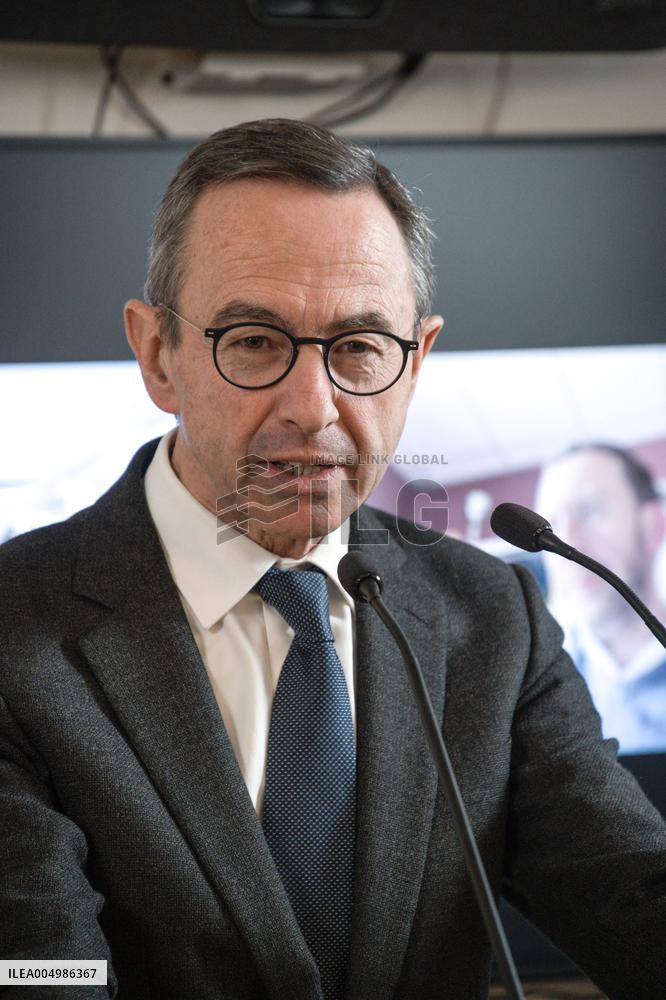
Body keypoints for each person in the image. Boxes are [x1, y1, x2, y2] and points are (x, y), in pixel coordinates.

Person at [1, 119, 665, 1000]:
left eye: (358, 347)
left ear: (415, 361)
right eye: (252, 341)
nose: (313, 407)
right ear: (159, 355)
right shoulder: (15, 630)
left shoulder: (491, 615)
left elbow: (632, 898)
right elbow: (43, 976)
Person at [535, 443, 666, 754]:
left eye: (591, 510)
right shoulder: (541, 693)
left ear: (654, 526)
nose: (565, 543)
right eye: (548, 524)